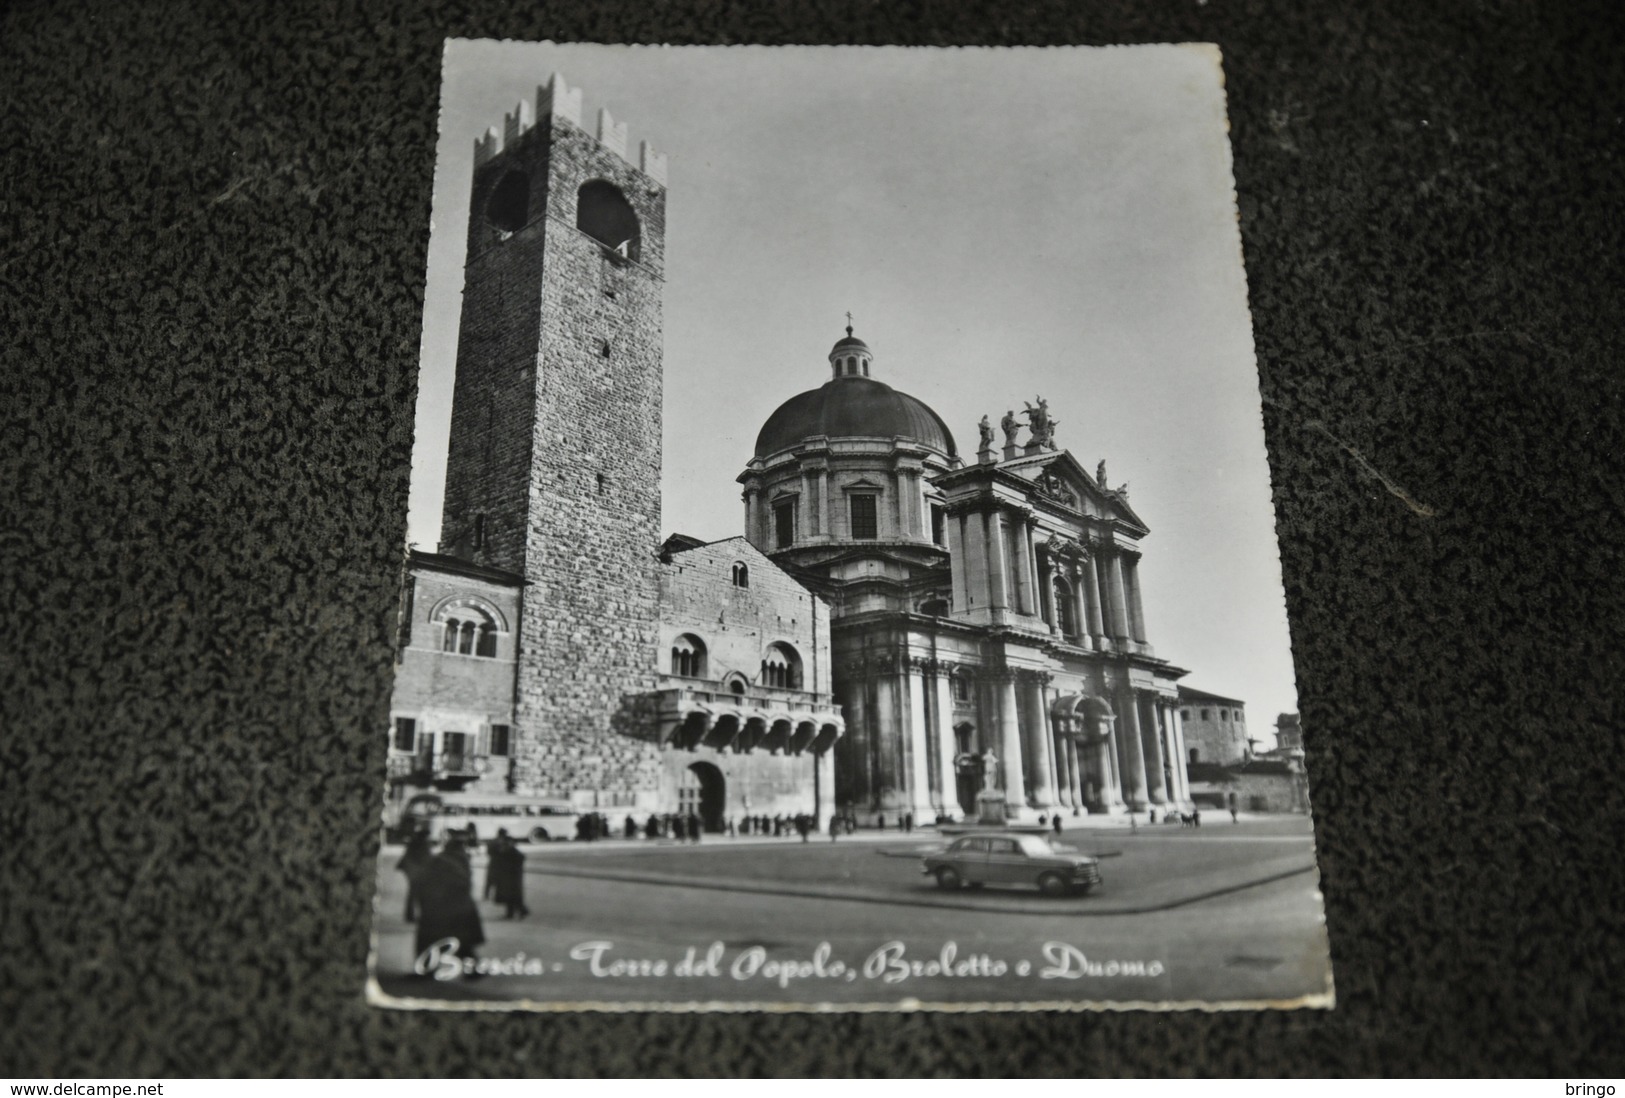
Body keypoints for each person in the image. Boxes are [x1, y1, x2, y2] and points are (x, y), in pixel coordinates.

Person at [410, 837, 486, 975]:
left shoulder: (440, 861)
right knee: (458, 940)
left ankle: (426, 970)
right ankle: (473, 970)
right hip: (456, 907)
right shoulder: (456, 860)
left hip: (448, 908)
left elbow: (450, 884)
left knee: (435, 939)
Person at [489, 830, 529, 919]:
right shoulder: (508, 852)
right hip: (509, 878)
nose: (504, 845)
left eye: (506, 843)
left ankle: (522, 911)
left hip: (512, 878)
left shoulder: (515, 853)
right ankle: (512, 913)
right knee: (510, 897)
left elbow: (514, 863)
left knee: (513, 897)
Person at [397, 829, 432, 923]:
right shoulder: (422, 844)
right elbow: (426, 858)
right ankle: (413, 915)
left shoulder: (416, 842)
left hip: (412, 871)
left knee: (414, 894)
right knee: (417, 894)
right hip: (416, 872)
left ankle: (410, 915)